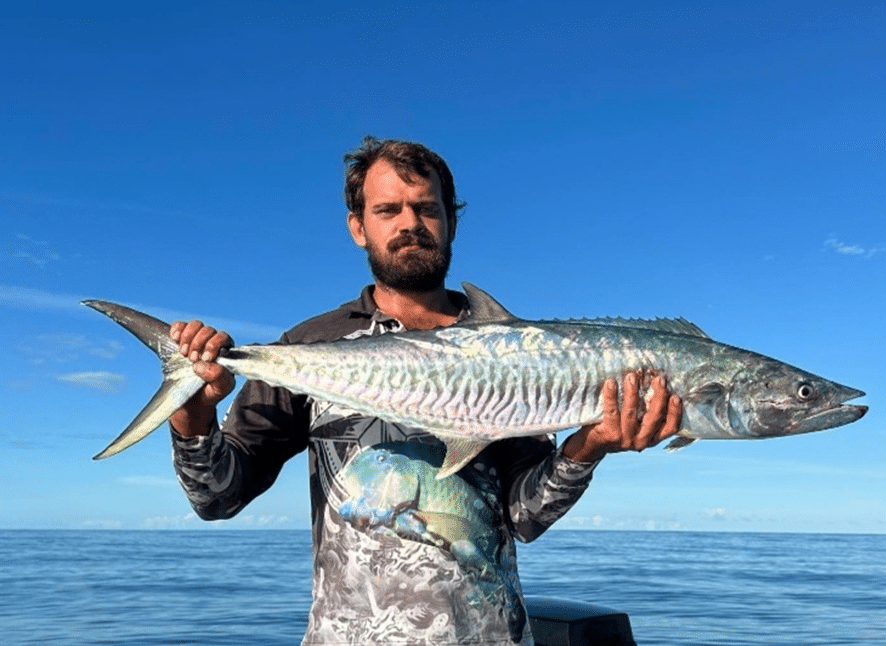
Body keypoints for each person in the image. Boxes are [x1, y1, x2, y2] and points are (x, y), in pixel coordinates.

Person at [168, 136, 683, 646]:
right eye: (388, 209)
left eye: (426, 208)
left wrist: (588, 446)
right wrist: (192, 418)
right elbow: (218, 497)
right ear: (358, 228)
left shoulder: (519, 353)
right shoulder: (311, 345)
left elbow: (525, 517)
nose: (410, 223)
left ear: (450, 221)